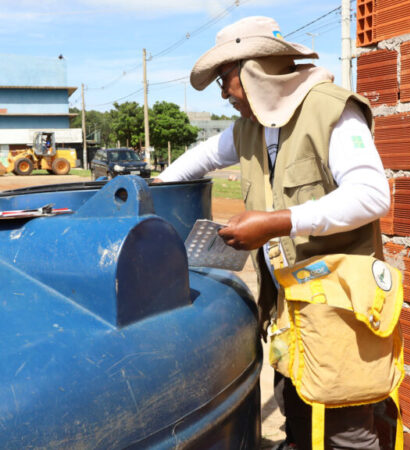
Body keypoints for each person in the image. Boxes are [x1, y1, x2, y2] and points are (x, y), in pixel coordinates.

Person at [156, 16, 391, 450]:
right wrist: (147, 196)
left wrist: (276, 222)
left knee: (348, 433)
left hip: (340, 312)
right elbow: (199, 159)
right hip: (289, 309)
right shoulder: (250, 127)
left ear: (256, 69)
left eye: (227, 79)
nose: (224, 93)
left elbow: (372, 196)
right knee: (295, 415)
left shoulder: (330, 110)